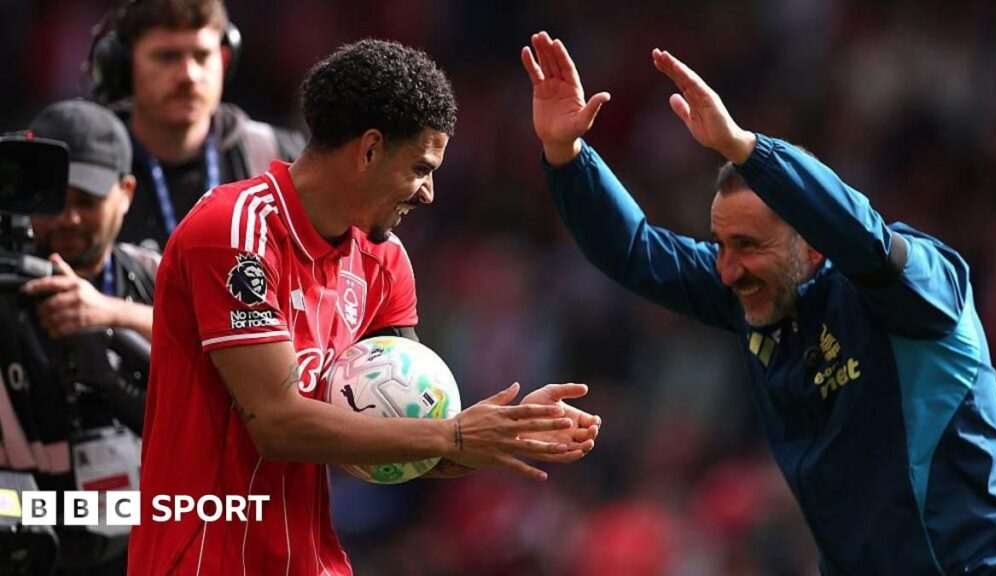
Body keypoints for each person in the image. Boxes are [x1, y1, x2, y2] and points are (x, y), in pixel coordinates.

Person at [523, 31, 996, 573]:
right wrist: (566, 154)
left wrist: (745, 148)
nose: (727, 269)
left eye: (747, 245)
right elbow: (636, 251)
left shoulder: (923, 288)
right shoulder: (758, 292)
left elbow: (865, 240)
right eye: (720, 245)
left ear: (812, 243)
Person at [129, 39, 601, 575]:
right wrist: (456, 434)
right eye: (422, 167)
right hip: (202, 560)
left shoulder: (385, 261)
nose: (429, 194)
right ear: (370, 149)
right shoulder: (236, 231)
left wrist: (506, 430)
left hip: (311, 561)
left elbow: (408, 443)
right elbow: (278, 424)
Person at [0, 99, 160, 574]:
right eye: (55, 200)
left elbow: (232, 345)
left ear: (127, 192)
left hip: (145, 540)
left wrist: (111, 314)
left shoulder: (157, 274)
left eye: (87, 202)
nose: (68, 219)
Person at [88, 0, 305, 251]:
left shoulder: (278, 158)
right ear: (125, 66)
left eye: (202, 56)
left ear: (224, 61)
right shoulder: (92, 164)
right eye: (167, 57)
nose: (188, 75)